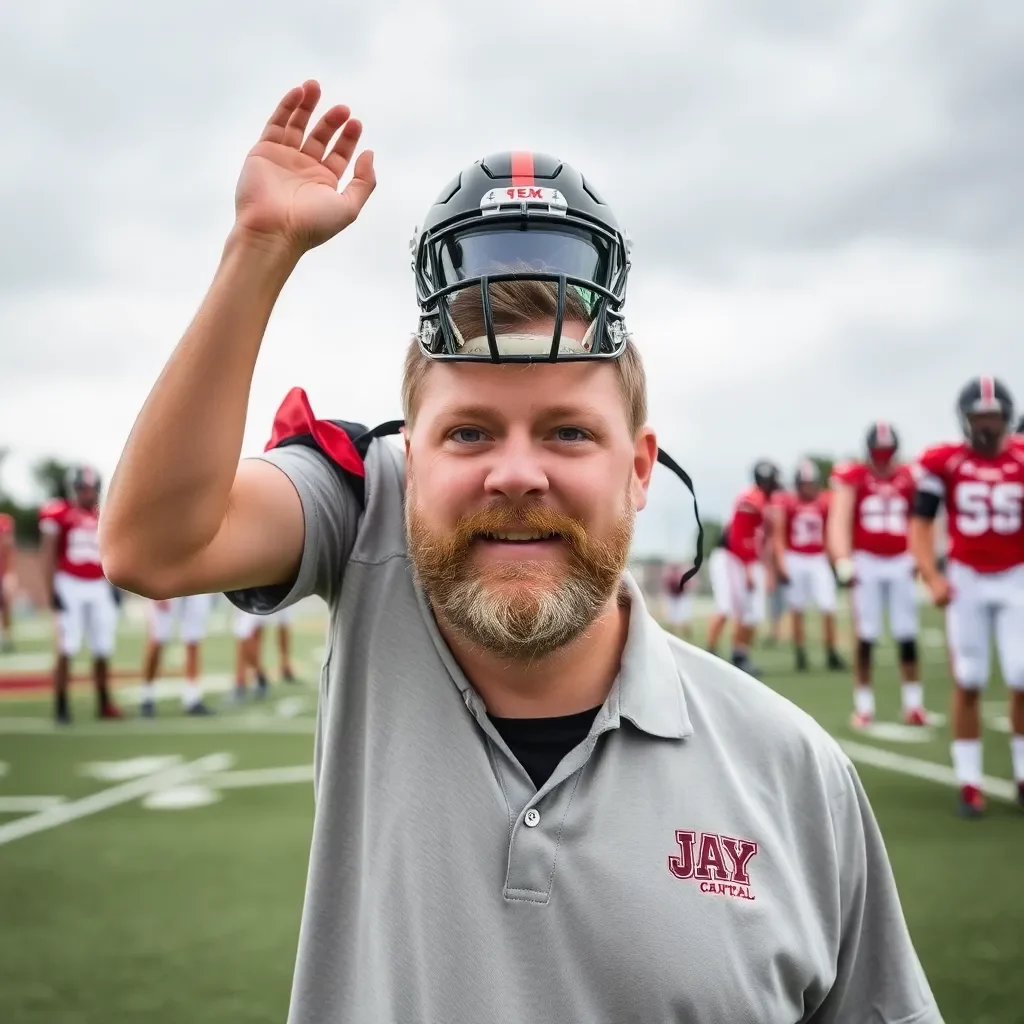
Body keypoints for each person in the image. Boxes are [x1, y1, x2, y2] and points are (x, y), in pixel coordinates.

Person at [100, 82, 941, 1023]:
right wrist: (257, 254)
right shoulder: (373, 516)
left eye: (569, 434)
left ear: (641, 467)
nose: (516, 474)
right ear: (403, 461)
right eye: (468, 434)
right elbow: (152, 544)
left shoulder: (793, 773)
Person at [909, 376, 1024, 817]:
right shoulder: (946, 463)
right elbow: (920, 525)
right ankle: (970, 781)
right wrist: (932, 576)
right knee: (971, 678)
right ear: (965, 420)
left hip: (1015, 576)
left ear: (1007, 418)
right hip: (969, 578)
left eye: (993, 416)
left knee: (1020, 676)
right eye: (979, 417)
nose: (987, 426)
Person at [829, 424, 926, 729]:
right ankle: (864, 706)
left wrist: (921, 556)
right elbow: (839, 518)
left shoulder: (910, 476)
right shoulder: (855, 476)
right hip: (867, 560)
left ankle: (913, 703)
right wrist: (843, 557)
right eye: (878, 452)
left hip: (900, 559)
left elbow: (921, 519)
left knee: (907, 633)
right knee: (866, 636)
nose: (883, 459)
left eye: (887, 452)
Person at [39, 465, 122, 723]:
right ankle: (61, 705)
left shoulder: (103, 515)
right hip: (70, 583)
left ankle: (104, 702)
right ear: (74, 488)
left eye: (91, 488)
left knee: (103, 646)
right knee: (68, 645)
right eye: (83, 488)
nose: (88, 493)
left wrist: (115, 587)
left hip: (98, 585)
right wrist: (51, 589)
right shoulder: (59, 512)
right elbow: (47, 553)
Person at [705, 461, 779, 675]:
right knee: (726, 607)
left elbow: (762, 542)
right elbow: (739, 538)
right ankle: (709, 651)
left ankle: (740, 655)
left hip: (747, 559)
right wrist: (748, 568)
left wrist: (766, 570)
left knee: (752, 612)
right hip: (729, 558)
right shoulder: (750, 499)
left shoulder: (765, 502)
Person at [771, 460, 845, 672]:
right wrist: (782, 562)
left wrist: (836, 561)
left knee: (828, 605)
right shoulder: (787, 502)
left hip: (818, 558)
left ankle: (831, 652)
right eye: (804, 483)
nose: (808, 487)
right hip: (795, 557)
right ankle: (800, 653)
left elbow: (831, 533)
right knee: (797, 608)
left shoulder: (825, 501)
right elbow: (778, 534)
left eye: (811, 482)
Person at [140, 595, 216, 715]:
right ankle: (147, 695)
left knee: (193, 640)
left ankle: (192, 697)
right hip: (168, 583)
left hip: (195, 587)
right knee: (157, 640)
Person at [661, 561, 693, 640]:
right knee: (671, 617)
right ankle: (670, 633)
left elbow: (688, 586)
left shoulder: (682, 576)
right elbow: (666, 586)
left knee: (684, 616)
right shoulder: (669, 576)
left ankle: (686, 633)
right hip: (672, 597)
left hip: (681, 597)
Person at [0, 512, 14, 652]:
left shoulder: (4, 521)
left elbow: (8, 549)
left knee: (5, 605)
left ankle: (6, 637)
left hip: (1, 572)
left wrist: (9, 573)